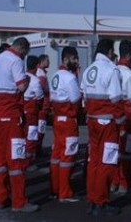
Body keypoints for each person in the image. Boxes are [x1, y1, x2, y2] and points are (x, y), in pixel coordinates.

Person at [0, 37, 39, 212]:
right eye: (25, 53)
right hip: (11, 115)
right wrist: (28, 80)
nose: (25, 56)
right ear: (22, 48)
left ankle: (0, 198)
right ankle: (19, 202)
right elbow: (22, 86)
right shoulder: (16, 61)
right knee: (16, 160)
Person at [80, 39, 123, 216]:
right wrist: (121, 122)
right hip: (107, 122)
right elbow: (116, 99)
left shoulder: (89, 69)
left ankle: (92, 200)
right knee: (107, 162)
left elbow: (84, 96)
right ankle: (101, 202)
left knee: (94, 162)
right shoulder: (111, 69)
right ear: (110, 51)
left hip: (92, 121)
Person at [50, 46, 82, 202]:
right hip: (68, 120)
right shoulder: (69, 78)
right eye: (75, 58)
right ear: (67, 59)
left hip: (57, 119)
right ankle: (64, 192)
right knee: (67, 156)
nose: (77, 62)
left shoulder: (55, 75)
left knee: (57, 154)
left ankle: (55, 188)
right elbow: (76, 101)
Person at [112, 40, 131, 195]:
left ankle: (114, 181)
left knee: (114, 150)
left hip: (114, 117)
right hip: (128, 119)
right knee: (128, 153)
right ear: (130, 55)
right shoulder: (130, 74)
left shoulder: (113, 70)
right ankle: (124, 183)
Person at [23, 56, 44, 166]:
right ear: (37, 66)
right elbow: (40, 97)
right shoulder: (35, 80)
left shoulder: (22, 77)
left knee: (21, 137)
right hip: (31, 113)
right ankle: (28, 161)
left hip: (21, 111)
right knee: (31, 137)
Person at [36, 54, 50, 158]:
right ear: (42, 61)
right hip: (43, 106)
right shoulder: (41, 74)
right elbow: (43, 89)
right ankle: (37, 150)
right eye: (47, 60)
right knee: (41, 129)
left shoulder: (39, 72)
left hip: (41, 106)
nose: (48, 62)